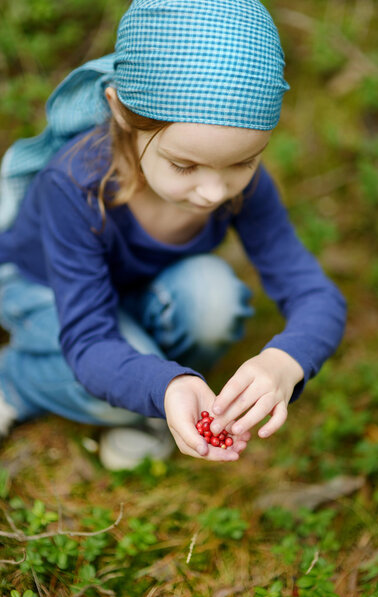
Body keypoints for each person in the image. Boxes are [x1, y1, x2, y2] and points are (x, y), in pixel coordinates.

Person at [0, 0, 346, 469]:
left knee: (213, 298)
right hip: (45, 290)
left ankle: (154, 385)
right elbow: (88, 338)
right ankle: (16, 380)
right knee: (109, 385)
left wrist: (286, 362)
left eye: (244, 162)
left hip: (135, 290)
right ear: (121, 111)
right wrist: (161, 387)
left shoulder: (240, 188)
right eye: (184, 165)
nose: (212, 192)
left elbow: (315, 294)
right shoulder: (76, 185)